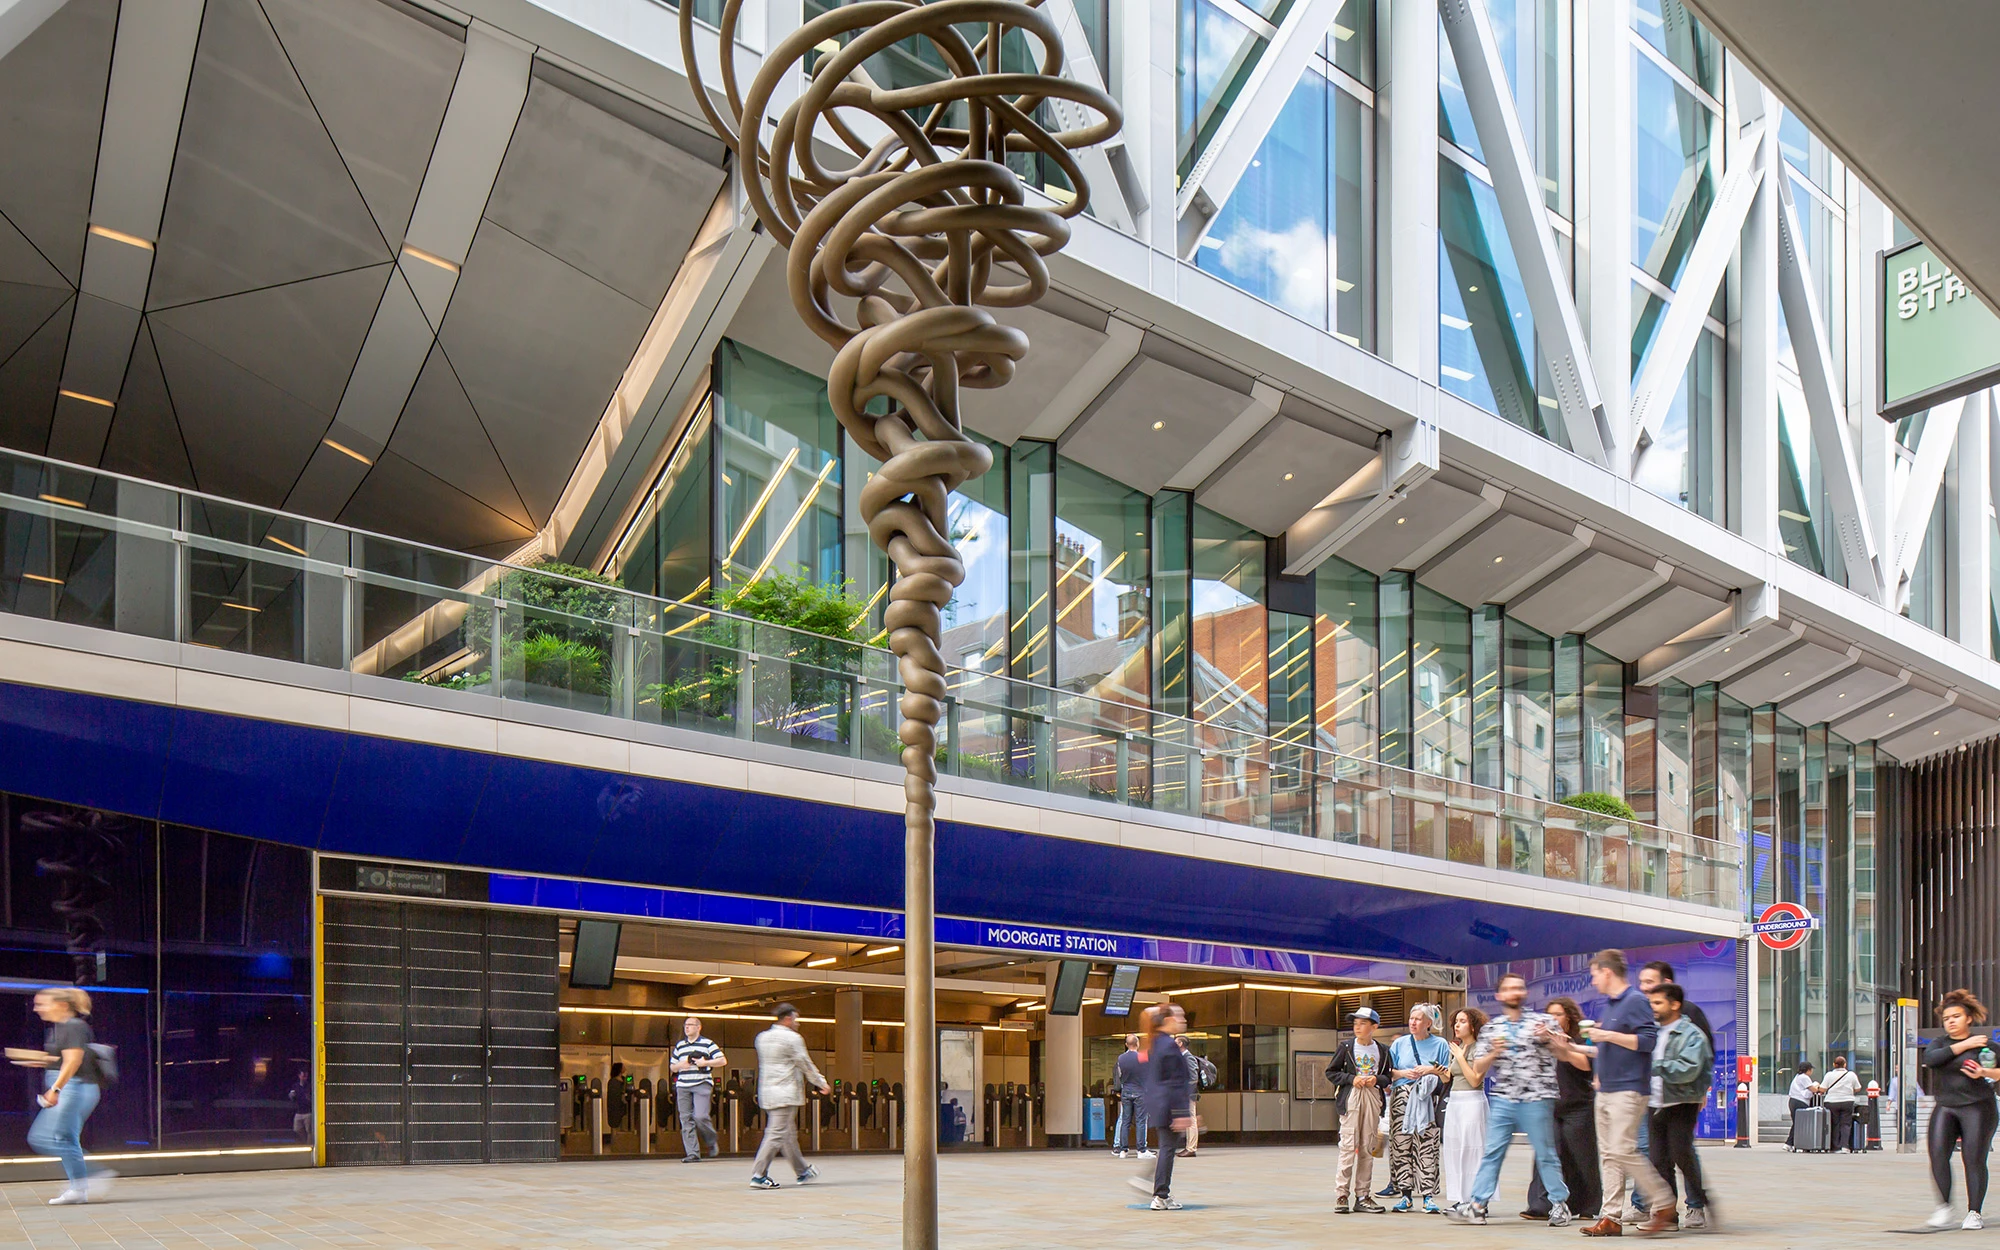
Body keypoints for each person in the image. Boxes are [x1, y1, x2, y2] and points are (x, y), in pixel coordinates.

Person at [1445, 973, 1572, 1227]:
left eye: (1519, 988)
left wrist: (1552, 1040)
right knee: (1492, 1152)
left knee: (1545, 1153)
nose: (1515, 992)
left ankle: (1559, 1205)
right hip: (1505, 1098)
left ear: (1524, 993)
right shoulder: (1493, 1029)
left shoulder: (1544, 1022)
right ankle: (1478, 1205)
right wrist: (1494, 1051)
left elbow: (1565, 1054)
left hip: (1537, 1096)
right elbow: (1479, 1065)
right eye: (1509, 988)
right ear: (1499, 995)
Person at [1578, 949, 1674, 1238]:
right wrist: (1567, 1047)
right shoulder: (1610, 1006)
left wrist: (1606, 1035)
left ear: (1607, 972)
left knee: (1621, 1150)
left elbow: (1647, 1041)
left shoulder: (1636, 1001)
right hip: (1606, 1090)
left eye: (1594, 974)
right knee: (1608, 1155)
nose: (1593, 981)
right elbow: (1606, 1047)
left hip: (1629, 1089)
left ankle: (1664, 1201)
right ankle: (1611, 1217)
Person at [13, 988, 106, 1206]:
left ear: (61, 1005)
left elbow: (73, 1061)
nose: (37, 1009)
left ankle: (92, 1174)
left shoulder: (72, 1026)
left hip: (73, 1087)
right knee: (66, 1139)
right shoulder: (63, 1027)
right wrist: (42, 1061)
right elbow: (64, 1058)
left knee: (41, 1138)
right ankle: (79, 1188)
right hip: (73, 1086)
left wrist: (55, 1089)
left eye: (42, 1004)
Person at [1923, 988, 1999, 1230]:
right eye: (1946, 1019)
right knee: (1937, 1155)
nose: (1950, 1022)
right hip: (1946, 1106)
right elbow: (1932, 1060)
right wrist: (1965, 1044)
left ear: (1968, 1018)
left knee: (1974, 1159)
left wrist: (1984, 1072)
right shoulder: (1939, 1043)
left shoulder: (1986, 1045)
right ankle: (1944, 1208)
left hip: (1978, 1107)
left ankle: (1974, 1212)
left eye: (1955, 1017)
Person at [1646, 982, 1715, 1230]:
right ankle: (1667, 1214)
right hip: (1653, 1103)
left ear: (1674, 1005)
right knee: (1657, 1160)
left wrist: (1655, 1067)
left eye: (1658, 1003)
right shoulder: (1651, 1031)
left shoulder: (1692, 1035)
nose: (1652, 1007)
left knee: (1680, 1155)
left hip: (1681, 1102)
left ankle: (1699, 1203)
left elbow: (1688, 1070)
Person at [1524, 997, 1599, 1223]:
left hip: (1578, 1105)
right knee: (1546, 1153)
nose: (1553, 1019)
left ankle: (1588, 1205)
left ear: (1569, 1017)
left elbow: (1585, 1064)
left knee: (1581, 1155)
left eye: (1558, 1015)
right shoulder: (1541, 1044)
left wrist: (1563, 1047)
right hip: (1550, 1106)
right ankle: (1541, 1204)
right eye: (1549, 1015)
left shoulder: (1579, 1039)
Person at [749, 1003, 829, 1189]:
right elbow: (804, 1063)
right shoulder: (792, 1038)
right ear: (788, 1018)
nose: (797, 1023)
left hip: (767, 1092)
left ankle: (802, 1172)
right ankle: (759, 1174)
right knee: (776, 1134)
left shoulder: (762, 1038)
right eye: (795, 1019)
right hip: (785, 1092)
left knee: (788, 1135)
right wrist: (821, 1082)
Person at [1126, 1004, 1193, 1211]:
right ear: (1167, 1020)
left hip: (1157, 1103)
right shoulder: (1169, 1046)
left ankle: (1153, 1185)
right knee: (1168, 1149)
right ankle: (1160, 1195)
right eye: (1178, 1016)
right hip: (1169, 1105)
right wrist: (1181, 1112)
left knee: (1167, 1148)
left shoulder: (1153, 1044)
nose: (1183, 1020)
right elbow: (1174, 1081)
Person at [1387, 1002, 1451, 1213]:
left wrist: (1429, 1070)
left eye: (1418, 1019)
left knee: (1428, 1146)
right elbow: (1389, 1072)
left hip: (1427, 1097)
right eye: (1411, 1019)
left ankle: (1428, 1196)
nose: (1413, 1023)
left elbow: (1446, 1075)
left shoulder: (1441, 1044)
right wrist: (1404, 1074)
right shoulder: (1400, 1044)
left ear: (1429, 1023)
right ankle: (1405, 1195)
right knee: (1401, 1144)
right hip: (1402, 1097)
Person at [1326, 1006, 1388, 1214]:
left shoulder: (1382, 1050)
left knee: (1367, 1146)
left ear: (1374, 1027)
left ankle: (1363, 1195)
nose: (1357, 1027)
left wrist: (1376, 1079)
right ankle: (1342, 1194)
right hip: (1352, 1096)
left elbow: (1388, 1076)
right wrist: (1352, 1079)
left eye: (1362, 1023)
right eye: (1355, 1023)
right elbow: (1331, 1072)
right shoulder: (1345, 1047)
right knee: (1348, 1145)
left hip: (1372, 1096)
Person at [1441, 1005, 1489, 1213]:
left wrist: (1460, 1057)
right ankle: (1461, 1198)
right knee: (1456, 1150)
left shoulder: (1479, 1048)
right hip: (1456, 1102)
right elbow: (1449, 1078)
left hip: (1472, 1102)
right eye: (1455, 1022)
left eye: (1462, 1021)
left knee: (1473, 1151)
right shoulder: (1459, 1048)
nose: (1457, 1026)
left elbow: (1475, 1079)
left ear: (1473, 1025)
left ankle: (1478, 1200)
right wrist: (1437, 1071)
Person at [671, 1015, 726, 1162]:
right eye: (685, 1025)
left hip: (701, 1083)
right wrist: (680, 1066)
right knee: (685, 1119)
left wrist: (704, 1062)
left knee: (700, 1116)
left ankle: (711, 1140)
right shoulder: (680, 1046)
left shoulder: (708, 1044)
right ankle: (693, 1153)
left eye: (690, 1024)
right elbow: (672, 1066)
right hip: (683, 1085)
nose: (687, 1027)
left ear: (698, 1027)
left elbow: (722, 1060)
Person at [1111, 1033, 1152, 1160]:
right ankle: (1141, 1150)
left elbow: (1119, 1075)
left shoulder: (1121, 1058)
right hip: (1140, 1092)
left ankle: (1123, 1150)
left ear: (1126, 1045)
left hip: (1126, 1091)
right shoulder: (1143, 1057)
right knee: (1140, 1121)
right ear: (1137, 1044)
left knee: (1125, 1121)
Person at [1175, 1034, 1216, 1157]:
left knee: (1191, 1120)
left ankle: (1191, 1148)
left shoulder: (1188, 1058)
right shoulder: (1182, 1057)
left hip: (1188, 1094)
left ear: (1180, 1044)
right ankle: (1189, 1145)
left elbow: (1193, 1078)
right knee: (1188, 1119)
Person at [1821, 1055, 1861, 1153]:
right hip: (1847, 1101)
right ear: (1845, 1065)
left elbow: (1823, 1089)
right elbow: (1858, 1088)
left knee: (1834, 1124)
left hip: (1831, 1102)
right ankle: (1845, 1146)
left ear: (1834, 1064)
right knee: (1846, 1124)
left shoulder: (1829, 1075)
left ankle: (1835, 1147)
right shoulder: (1851, 1075)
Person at [1785, 1062, 1821, 1151]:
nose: (1811, 1071)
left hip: (1793, 1101)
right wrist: (1817, 1086)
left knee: (1796, 1123)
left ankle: (1790, 1143)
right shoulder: (1804, 1077)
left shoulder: (1797, 1077)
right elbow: (1813, 1089)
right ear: (1808, 1070)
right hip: (1800, 1101)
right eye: (1811, 1069)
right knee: (1799, 1124)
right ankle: (1790, 1143)